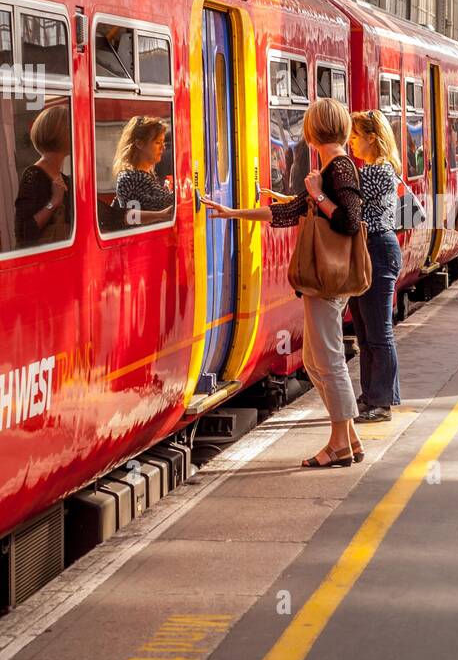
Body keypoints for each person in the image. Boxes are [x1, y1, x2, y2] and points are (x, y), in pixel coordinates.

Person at [203, 98, 363, 468]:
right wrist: (234, 213)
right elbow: (289, 212)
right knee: (313, 359)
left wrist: (318, 193)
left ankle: (339, 442)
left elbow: (350, 220)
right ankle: (349, 437)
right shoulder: (328, 166)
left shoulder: (339, 167)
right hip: (323, 280)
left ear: (314, 128)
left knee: (329, 360)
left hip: (327, 279)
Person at [347, 109, 402, 423]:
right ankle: (371, 396)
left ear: (372, 137)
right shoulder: (369, 169)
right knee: (366, 334)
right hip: (367, 251)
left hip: (378, 250)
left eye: (355, 136)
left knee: (379, 333)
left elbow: (344, 195)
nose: (351, 143)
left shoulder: (378, 171)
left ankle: (381, 402)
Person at [14, 101, 73, 248]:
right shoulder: (33, 176)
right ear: (62, 133)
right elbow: (24, 232)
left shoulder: (64, 179)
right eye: (71, 127)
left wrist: (133, 216)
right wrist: (53, 202)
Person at [113, 116, 174, 226]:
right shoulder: (130, 178)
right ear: (139, 144)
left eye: (163, 142)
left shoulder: (147, 173)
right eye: (157, 142)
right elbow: (130, 218)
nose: (163, 148)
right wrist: (161, 214)